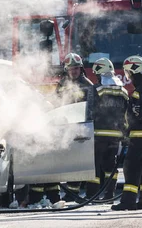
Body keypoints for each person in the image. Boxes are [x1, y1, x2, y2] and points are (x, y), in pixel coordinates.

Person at [26, 53, 94, 205]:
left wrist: (86, 123)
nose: (74, 71)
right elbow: (56, 102)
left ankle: (73, 194)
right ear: (66, 69)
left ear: (80, 69)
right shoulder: (63, 83)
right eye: (71, 69)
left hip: (79, 127)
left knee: (76, 161)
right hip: (64, 127)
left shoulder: (87, 84)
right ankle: (55, 195)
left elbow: (91, 107)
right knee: (61, 160)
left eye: (76, 68)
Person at [112, 55, 142, 211]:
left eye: (128, 73)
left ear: (134, 71)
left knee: (131, 167)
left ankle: (128, 201)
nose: (129, 77)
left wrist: (141, 114)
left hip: (141, 135)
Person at [85, 58, 128, 202]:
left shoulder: (96, 89)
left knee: (95, 166)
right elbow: (127, 114)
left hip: (98, 134)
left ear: (98, 73)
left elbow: (90, 113)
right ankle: (110, 194)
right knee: (111, 165)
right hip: (115, 135)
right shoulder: (123, 90)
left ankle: (92, 195)